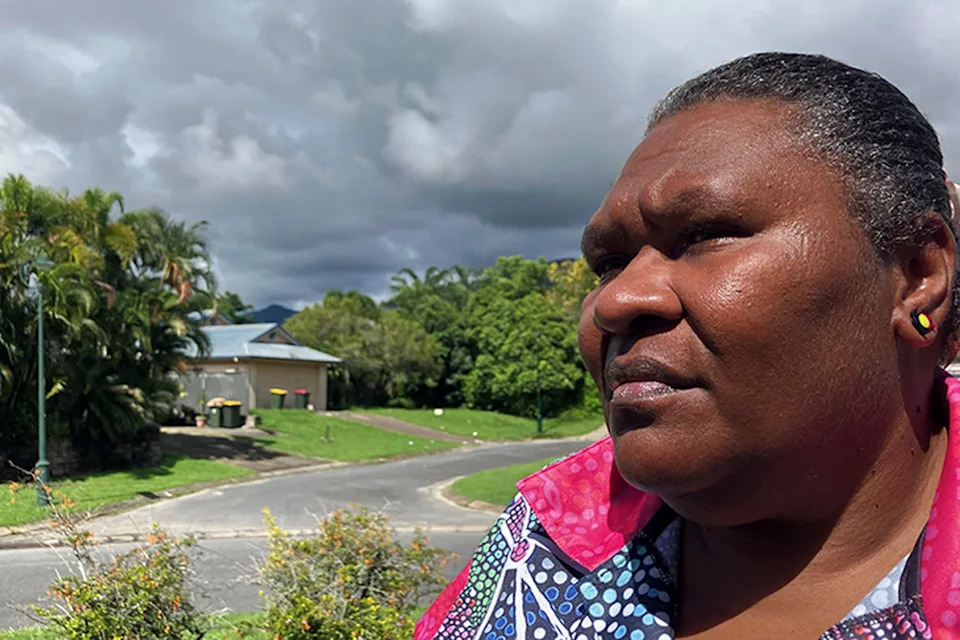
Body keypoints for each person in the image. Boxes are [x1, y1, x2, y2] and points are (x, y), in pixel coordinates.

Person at [415, 52, 960, 640]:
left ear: (915, 275)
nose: (615, 301)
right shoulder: (544, 542)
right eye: (610, 263)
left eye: (706, 235)